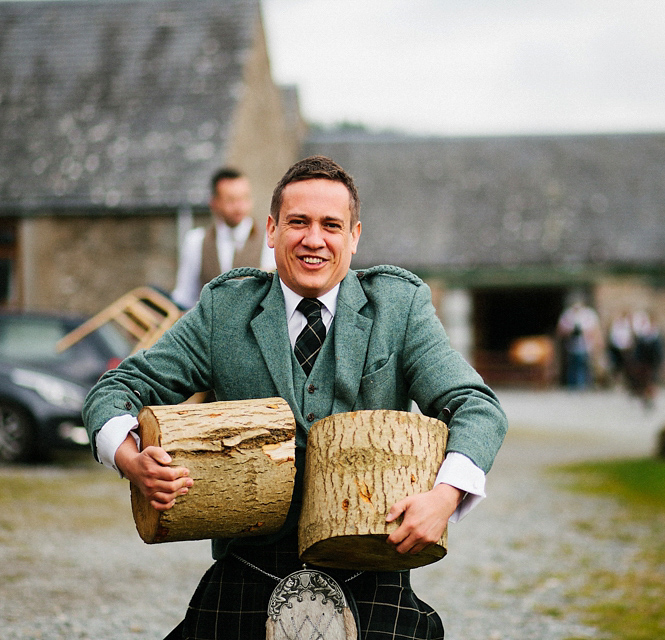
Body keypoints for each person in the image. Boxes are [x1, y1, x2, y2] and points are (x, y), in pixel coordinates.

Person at [82, 155, 508, 640]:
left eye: (331, 225)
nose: (313, 239)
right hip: (251, 567)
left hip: (371, 568)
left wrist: (445, 497)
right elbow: (116, 389)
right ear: (271, 229)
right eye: (298, 222)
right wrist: (131, 459)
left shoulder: (399, 307)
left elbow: (476, 405)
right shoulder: (226, 310)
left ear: (354, 236)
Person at [170, 167, 276, 309]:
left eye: (244, 198)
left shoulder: (269, 240)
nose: (239, 207)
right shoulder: (196, 241)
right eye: (231, 200)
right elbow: (185, 297)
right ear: (213, 203)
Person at [555, 297, 601, 389]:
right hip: (572, 346)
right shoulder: (567, 315)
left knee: (585, 366)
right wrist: (571, 331)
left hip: (586, 345)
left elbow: (595, 330)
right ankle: (573, 386)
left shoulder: (589, 314)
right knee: (573, 366)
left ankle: (584, 385)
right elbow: (560, 330)